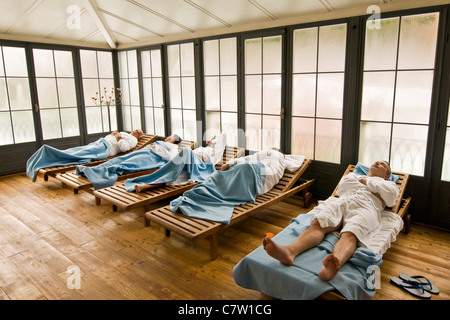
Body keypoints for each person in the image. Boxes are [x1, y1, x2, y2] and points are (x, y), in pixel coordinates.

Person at [262, 160, 399, 281]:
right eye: (376, 162)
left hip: (367, 207)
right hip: (343, 201)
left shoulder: (390, 185)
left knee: (350, 234)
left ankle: (334, 264)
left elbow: (391, 197)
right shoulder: (354, 176)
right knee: (319, 223)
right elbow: (343, 186)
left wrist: (364, 182)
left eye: (382, 165)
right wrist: (374, 189)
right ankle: (289, 252)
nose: (377, 163)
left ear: (386, 176)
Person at [26, 129, 145, 182]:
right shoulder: (125, 133)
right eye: (135, 130)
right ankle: (47, 154)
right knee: (75, 150)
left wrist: (117, 137)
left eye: (137, 132)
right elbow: (115, 137)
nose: (134, 131)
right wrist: (113, 134)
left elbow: (124, 148)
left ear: (138, 136)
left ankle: (48, 152)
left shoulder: (133, 141)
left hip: (105, 148)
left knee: (77, 154)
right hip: (101, 142)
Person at [220, 148, 286, 194]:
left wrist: (230, 163)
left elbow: (251, 158)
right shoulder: (283, 162)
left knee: (239, 166)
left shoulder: (270, 152)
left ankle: (222, 183)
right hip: (267, 182)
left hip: (261, 169)